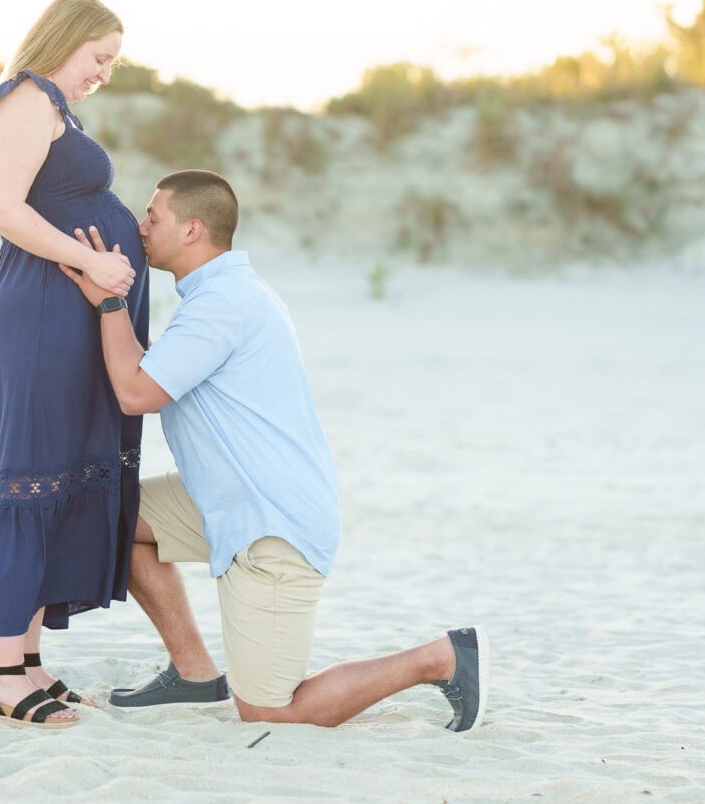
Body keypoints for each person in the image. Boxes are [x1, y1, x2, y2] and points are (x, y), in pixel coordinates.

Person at [58, 169, 488, 730]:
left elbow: (137, 392)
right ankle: (193, 673)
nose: (141, 228)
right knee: (118, 515)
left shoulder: (223, 304)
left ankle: (439, 658)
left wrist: (109, 305)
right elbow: (151, 372)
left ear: (192, 230)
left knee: (270, 711)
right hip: (227, 497)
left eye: (152, 217)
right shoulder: (222, 294)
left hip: (271, 522)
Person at [0, 0, 150, 727]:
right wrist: (92, 263)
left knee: (61, 475)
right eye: (99, 56)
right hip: (40, 312)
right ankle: (2, 672)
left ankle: (30, 660)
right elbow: (0, 205)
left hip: (66, 311)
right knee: (29, 476)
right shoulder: (29, 99)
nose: (105, 71)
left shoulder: (56, 110)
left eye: (114, 62)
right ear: (64, 40)